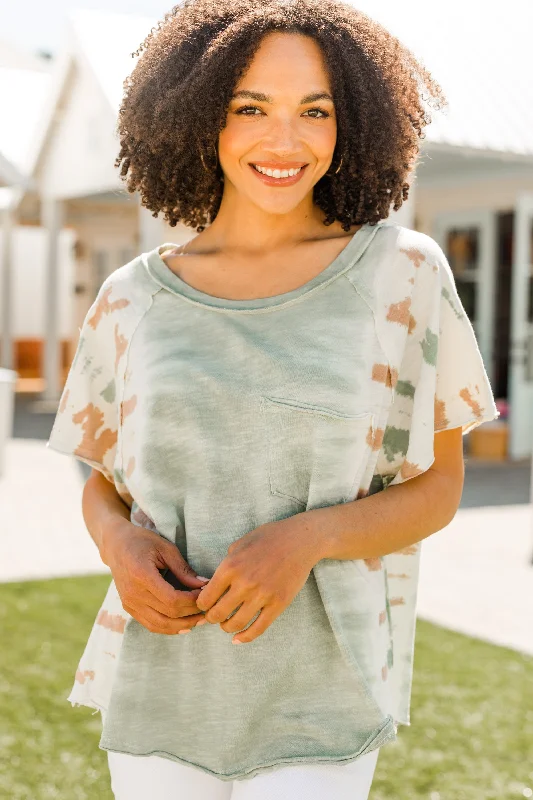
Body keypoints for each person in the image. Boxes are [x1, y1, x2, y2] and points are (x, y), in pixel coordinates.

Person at [47, 0, 499, 797]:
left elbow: (438, 487)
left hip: (320, 694)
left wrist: (308, 539)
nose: (283, 141)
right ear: (195, 117)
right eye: (248, 107)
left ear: (351, 123)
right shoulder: (129, 297)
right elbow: (104, 483)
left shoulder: (403, 272)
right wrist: (119, 548)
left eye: (313, 111)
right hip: (160, 685)